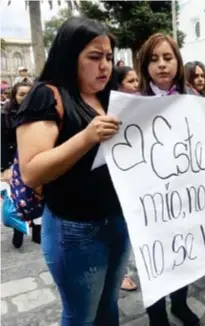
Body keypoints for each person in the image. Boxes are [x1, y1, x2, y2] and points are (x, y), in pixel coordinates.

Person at [15, 17, 129, 325]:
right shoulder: (47, 95)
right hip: (75, 230)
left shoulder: (110, 97)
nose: (104, 66)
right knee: (81, 315)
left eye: (108, 57)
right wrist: (87, 136)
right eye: (94, 57)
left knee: (109, 306)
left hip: (117, 220)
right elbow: (32, 171)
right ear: (69, 55)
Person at [137, 33, 199, 326]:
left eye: (168, 58)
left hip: (184, 194)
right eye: (154, 59)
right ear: (144, 65)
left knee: (183, 253)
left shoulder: (193, 99)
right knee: (154, 260)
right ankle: (157, 315)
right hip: (149, 198)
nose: (161, 65)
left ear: (177, 61)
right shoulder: (133, 103)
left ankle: (180, 303)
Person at [112, 65, 140, 292]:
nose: (136, 85)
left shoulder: (141, 105)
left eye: (137, 81)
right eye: (131, 81)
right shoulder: (111, 109)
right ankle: (121, 273)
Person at [1, 81, 34, 248]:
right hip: (15, 161)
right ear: (14, 96)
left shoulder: (42, 113)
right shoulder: (6, 116)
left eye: (29, 94)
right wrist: (5, 167)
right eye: (22, 94)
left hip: (37, 158)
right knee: (19, 196)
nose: (26, 98)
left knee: (39, 194)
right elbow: (3, 143)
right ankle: (18, 228)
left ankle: (37, 229)